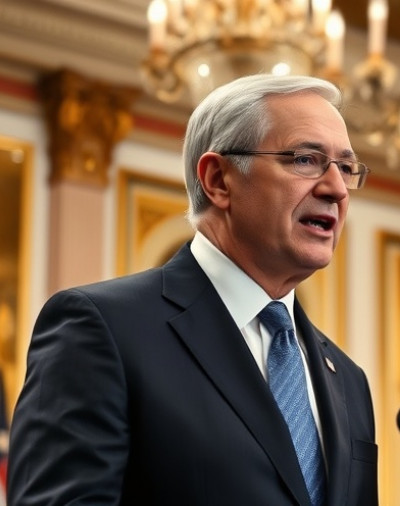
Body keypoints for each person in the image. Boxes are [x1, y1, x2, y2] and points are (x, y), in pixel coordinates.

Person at [8, 74, 378, 505]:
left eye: (346, 167)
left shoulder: (349, 380)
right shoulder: (102, 330)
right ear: (219, 179)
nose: (335, 189)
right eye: (304, 159)